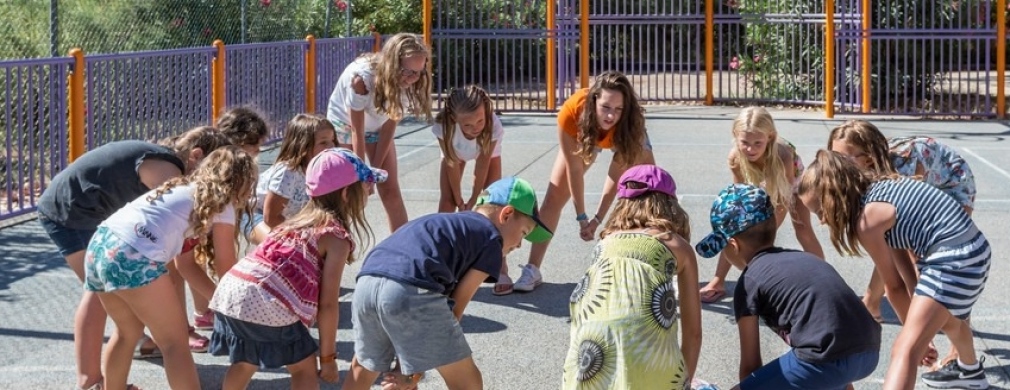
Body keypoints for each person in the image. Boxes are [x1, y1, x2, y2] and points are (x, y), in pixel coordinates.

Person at [36, 127, 230, 390]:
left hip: (104, 227)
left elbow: (173, 256)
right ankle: (89, 380)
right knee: (100, 296)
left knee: (123, 315)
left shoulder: (172, 168)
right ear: (197, 155)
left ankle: (115, 372)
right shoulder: (171, 173)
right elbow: (177, 258)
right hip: (73, 209)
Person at [797, 150, 990, 389]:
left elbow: (894, 287)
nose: (823, 220)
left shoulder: (867, 221)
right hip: (974, 251)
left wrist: (915, 340)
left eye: (820, 211)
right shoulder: (884, 189)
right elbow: (906, 275)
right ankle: (972, 373)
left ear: (834, 195)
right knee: (948, 321)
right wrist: (920, 334)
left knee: (904, 350)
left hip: (954, 259)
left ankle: (969, 372)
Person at [340, 176, 553, 390]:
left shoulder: (452, 223)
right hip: (410, 289)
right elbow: (456, 307)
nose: (519, 245)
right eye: (523, 233)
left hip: (367, 282)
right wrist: (416, 370)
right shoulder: (491, 239)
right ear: (506, 215)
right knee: (468, 382)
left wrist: (409, 368)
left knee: (364, 367)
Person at [84, 145, 257, 390]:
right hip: (134, 254)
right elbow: (227, 266)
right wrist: (245, 306)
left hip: (100, 244)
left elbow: (187, 265)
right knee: (175, 344)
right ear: (241, 183)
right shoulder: (223, 204)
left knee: (127, 332)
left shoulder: (180, 188)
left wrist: (221, 306)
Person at [209, 147, 383, 390]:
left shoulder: (294, 222)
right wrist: (328, 358)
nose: (371, 190)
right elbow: (328, 304)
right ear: (345, 194)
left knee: (244, 362)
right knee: (304, 369)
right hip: (265, 299)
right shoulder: (335, 237)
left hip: (232, 291)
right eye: (366, 184)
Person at [697, 183, 881, 390]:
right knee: (824, 371)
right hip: (869, 352)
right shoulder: (805, 259)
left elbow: (750, 367)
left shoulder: (749, 281)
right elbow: (837, 332)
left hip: (821, 359)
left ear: (733, 245)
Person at [827, 119, 977, 371]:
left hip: (952, 182)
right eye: (834, 155)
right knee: (899, 254)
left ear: (869, 159)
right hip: (925, 178)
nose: (836, 164)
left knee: (944, 268)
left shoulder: (901, 172)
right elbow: (889, 253)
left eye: (845, 158)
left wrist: (915, 326)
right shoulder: (866, 175)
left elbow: (902, 259)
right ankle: (873, 304)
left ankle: (958, 347)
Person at [507, 70, 654, 295]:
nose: (610, 116)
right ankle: (533, 268)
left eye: (617, 109)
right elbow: (574, 170)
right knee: (554, 197)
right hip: (586, 132)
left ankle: (659, 268)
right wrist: (582, 217)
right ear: (594, 99)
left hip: (623, 135)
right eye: (605, 107)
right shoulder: (570, 113)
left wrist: (598, 219)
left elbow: (616, 177)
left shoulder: (629, 121)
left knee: (651, 190)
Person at [562, 164, 701, 389]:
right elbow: (693, 333)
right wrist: (683, 381)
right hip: (646, 357)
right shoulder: (677, 246)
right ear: (670, 204)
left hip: (591, 349)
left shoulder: (605, 242)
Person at [698, 107, 824, 303]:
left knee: (803, 228)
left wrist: (767, 230)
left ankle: (823, 279)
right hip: (757, 184)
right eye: (745, 143)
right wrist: (741, 226)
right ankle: (718, 280)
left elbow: (784, 198)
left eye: (758, 143)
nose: (751, 149)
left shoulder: (783, 156)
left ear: (770, 137)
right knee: (733, 230)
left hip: (790, 183)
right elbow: (738, 198)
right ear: (735, 136)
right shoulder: (735, 158)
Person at [326, 32, 433, 232]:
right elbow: (356, 130)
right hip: (346, 126)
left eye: (418, 72)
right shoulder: (362, 78)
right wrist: (360, 175)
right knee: (346, 192)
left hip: (377, 124)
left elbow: (389, 126)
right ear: (392, 64)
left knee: (390, 189)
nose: (412, 79)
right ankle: (332, 244)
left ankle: (403, 250)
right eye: (407, 71)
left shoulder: (409, 83)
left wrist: (372, 172)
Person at [244, 114, 337, 245]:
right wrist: (301, 235)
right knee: (280, 245)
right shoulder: (288, 172)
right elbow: (270, 217)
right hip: (254, 214)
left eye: (332, 140)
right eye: (323, 142)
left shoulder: (323, 170)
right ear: (303, 147)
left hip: (289, 218)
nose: (331, 146)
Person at [432, 85, 504, 213]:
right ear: (454, 118)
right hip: (454, 154)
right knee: (448, 200)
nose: (476, 128)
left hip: (487, 154)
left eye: (480, 121)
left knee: (492, 199)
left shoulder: (493, 125)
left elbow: (482, 164)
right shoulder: (443, 126)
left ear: (486, 111)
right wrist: (458, 198)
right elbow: (451, 162)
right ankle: (444, 232)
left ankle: (486, 232)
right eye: (467, 125)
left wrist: (475, 197)